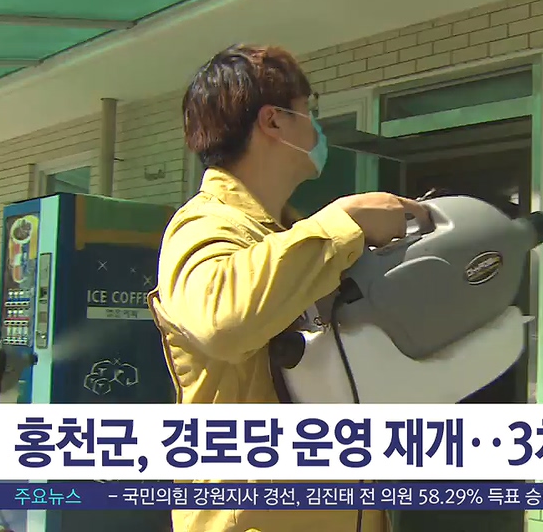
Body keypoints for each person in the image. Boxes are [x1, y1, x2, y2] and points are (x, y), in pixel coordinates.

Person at [147, 44, 429, 532]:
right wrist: (346, 222)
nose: (316, 127)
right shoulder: (205, 225)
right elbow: (222, 322)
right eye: (308, 110)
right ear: (273, 121)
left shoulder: (290, 235)